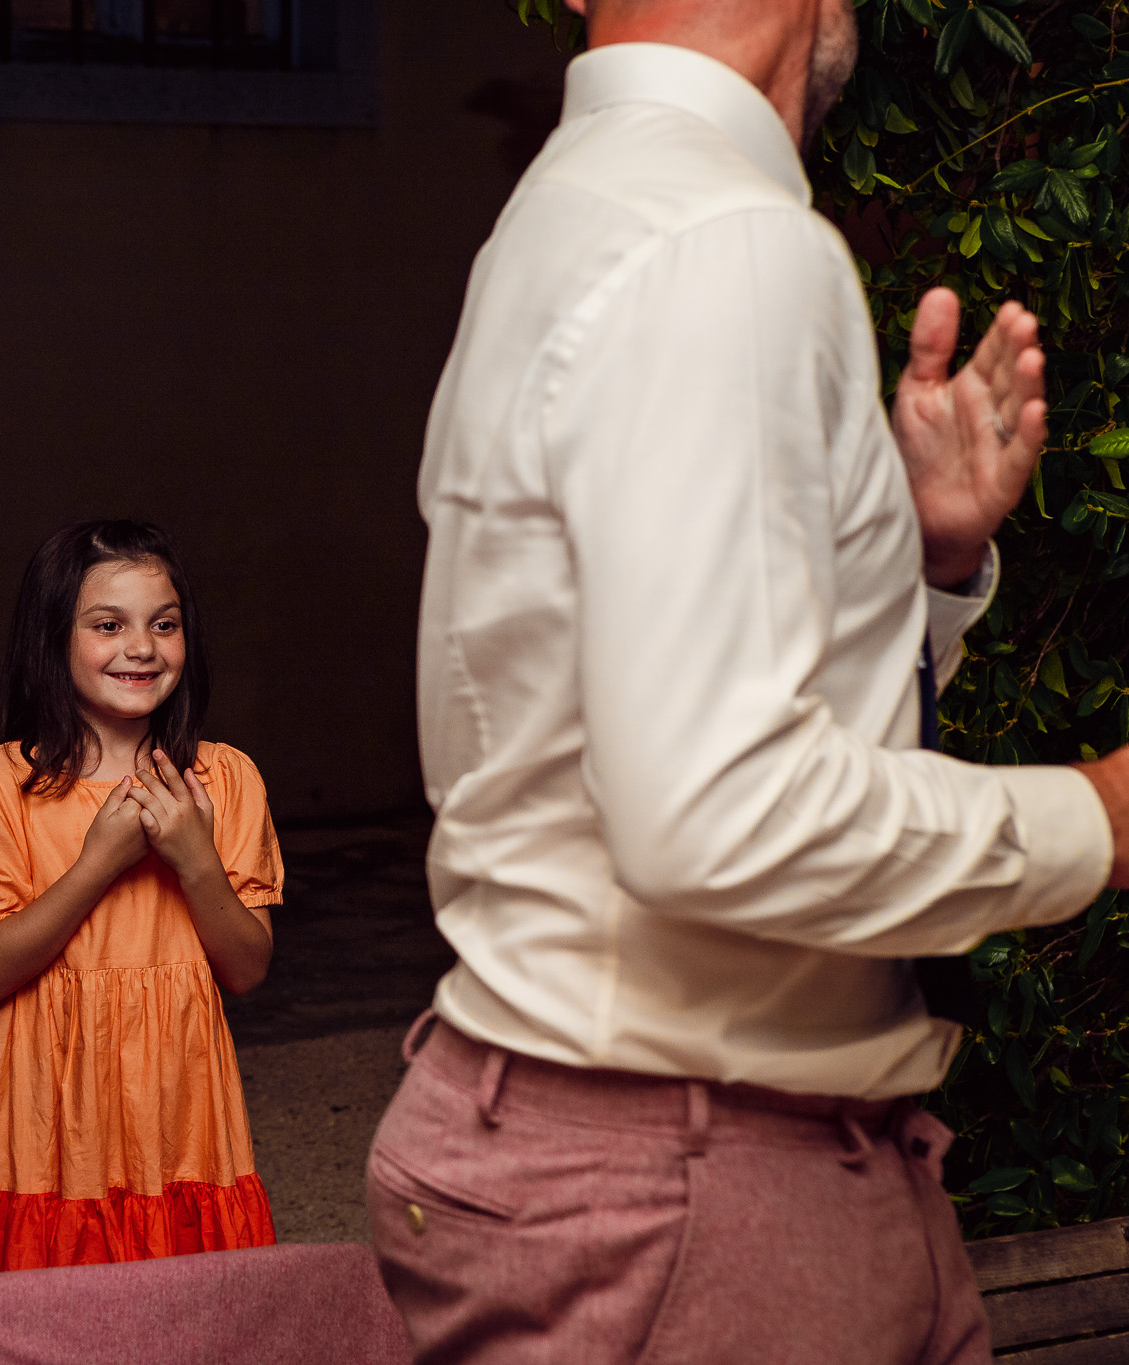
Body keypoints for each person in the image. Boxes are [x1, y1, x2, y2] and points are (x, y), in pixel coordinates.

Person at [368, 0, 1129, 1361]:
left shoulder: (578, 200)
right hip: (685, 1190)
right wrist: (1103, 819)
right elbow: (713, 810)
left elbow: (646, 703)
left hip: (635, 1157)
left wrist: (914, 569)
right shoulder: (722, 238)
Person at [0, 520, 281, 1278]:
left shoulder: (226, 780)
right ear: (55, 637)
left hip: (176, 1120)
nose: (141, 647)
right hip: (35, 1121)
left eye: (164, 624)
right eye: (107, 624)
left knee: (181, 1317)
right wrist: (98, 863)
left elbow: (247, 967)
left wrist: (194, 859)